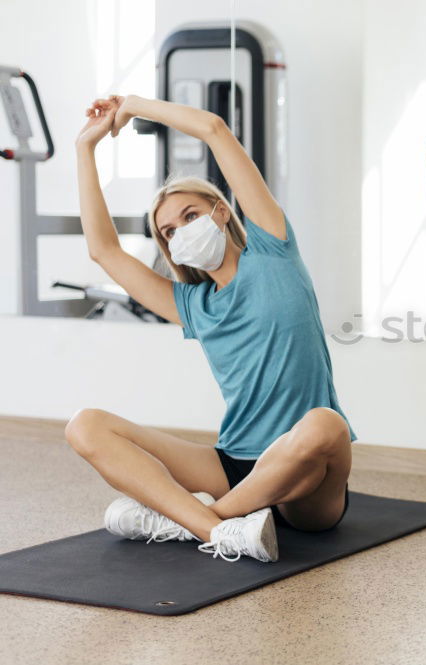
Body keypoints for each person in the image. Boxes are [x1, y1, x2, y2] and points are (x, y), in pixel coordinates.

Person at [65, 94, 354, 563]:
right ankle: (217, 530)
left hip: (305, 482)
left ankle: (186, 521)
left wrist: (135, 105)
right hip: (232, 463)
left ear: (221, 212)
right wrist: (85, 149)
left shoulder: (274, 251)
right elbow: (104, 251)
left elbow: (215, 130)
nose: (180, 232)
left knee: (324, 424)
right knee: (85, 426)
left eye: (190, 216)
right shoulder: (192, 304)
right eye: (169, 232)